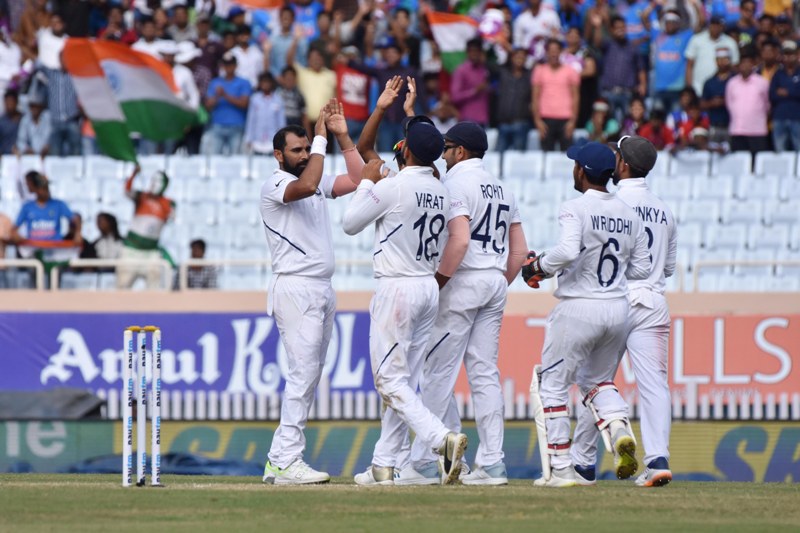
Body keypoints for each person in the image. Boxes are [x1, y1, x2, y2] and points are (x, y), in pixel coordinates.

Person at [341, 120, 469, 487]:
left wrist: (367, 182)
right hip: (427, 287)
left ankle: (440, 440)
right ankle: (384, 463)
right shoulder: (441, 190)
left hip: (397, 287)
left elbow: (350, 223)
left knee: (389, 380)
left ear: (406, 150)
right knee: (404, 381)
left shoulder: (394, 186)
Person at [405, 122, 528, 486]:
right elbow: (519, 252)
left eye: (446, 149)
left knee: (438, 373)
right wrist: (496, 283)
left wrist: (438, 284)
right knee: (484, 373)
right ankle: (492, 463)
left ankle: (423, 462)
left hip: (462, 281)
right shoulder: (504, 188)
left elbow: (458, 243)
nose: (443, 156)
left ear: (459, 151)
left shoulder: (455, 184)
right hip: (494, 281)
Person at [521, 140, 650, 487]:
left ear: (582, 171)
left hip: (579, 307)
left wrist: (539, 266)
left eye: (575, 165)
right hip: (618, 308)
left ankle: (562, 468)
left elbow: (566, 251)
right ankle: (618, 428)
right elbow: (641, 268)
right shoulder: (629, 213)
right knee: (597, 382)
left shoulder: (574, 207)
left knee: (553, 386)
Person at [260, 100, 363, 485]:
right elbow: (303, 187)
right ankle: (286, 459)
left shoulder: (316, 177)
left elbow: (360, 181)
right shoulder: (275, 183)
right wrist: (319, 138)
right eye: (296, 150)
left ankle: (279, 460)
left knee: (310, 375)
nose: (304, 155)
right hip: (296, 287)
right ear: (279, 155)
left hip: (322, 288)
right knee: (302, 374)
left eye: (306, 149)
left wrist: (341, 137)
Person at [571, 135, 676, 488]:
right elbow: (668, 267)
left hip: (615, 300)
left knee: (596, 381)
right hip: (653, 301)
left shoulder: (611, 203)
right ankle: (658, 460)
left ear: (624, 166)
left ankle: (583, 463)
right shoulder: (664, 209)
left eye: (617, 155)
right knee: (654, 386)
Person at [116, 165, 175, 289]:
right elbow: (127, 191)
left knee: (154, 288)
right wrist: (134, 174)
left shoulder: (169, 204)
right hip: (131, 249)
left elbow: (171, 218)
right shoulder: (141, 197)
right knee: (122, 287)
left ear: (165, 185)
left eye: (158, 181)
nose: (153, 184)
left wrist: (158, 204)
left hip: (151, 252)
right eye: (152, 180)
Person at [532, 38, 580, 151]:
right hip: (545, 120)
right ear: (547, 52)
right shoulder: (539, 71)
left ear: (561, 52)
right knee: (546, 155)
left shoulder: (571, 71)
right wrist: (537, 120)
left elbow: (576, 97)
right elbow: (535, 97)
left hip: (566, 120)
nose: (554, 53)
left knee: (567, 156)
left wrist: (573, 121)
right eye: (551, 50)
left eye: (556, 50)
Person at [204, 52, 251, 155]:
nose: (228, 67)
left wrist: (225, 95)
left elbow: (244, 104)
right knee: (214, 158)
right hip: (217, 125)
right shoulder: (215, 82)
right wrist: (217, 96)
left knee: (235, 158)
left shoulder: (244, 82)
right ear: (222, 66)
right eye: (226, 64)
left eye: (231, 64)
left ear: (236, 65)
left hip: (237, 125)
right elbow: (208, 106)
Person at [726, 48, 770, 156]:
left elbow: (767, 104)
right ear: (739, 65)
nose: (745, 66)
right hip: (737, 130)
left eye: (748, 63)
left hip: (757, 130)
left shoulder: (762, 82)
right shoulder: (732, 83)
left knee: (757, 161)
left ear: (753, 65)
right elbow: (729, 103)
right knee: (739, 162)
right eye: (743, 63)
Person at [684, 16, 739, 97]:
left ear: (722, 27)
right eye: (713, 25)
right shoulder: (696, 39)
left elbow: (734, 66)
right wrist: (690, 87)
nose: (715, 28)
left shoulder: (730, 42)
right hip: (697, 88)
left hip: (723, 90)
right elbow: (689, 65)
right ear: (709, 25)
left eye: (718, 25)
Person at [496, 48, 532, 152]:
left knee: (518, 156)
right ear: (511, 58)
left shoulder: (530, 75)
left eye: (522, 57)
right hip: (503, 122)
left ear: (526, 59)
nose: (519, 59)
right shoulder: (503, 73)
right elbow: (490, 66)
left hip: (521, 122)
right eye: (517, 56)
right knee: (499, 155)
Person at [450, 38, 490, 127]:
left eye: (477, 51)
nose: (474, 54)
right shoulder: (461, 71)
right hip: (468, 119)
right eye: (472, 51)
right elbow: (455, 97)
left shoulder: (484, 69)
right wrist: (474, 91)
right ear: (467, 52)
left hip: (484, 119)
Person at [701, 48, 735, 152]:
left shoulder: (735, 79)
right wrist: (713, 103)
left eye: (725, 59)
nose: (722, 62)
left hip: (731, 124)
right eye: (719, 59)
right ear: (716, 61)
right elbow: (702, 104)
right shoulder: (709, 82)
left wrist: (726, 101)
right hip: (714, 125)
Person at [769, 40, 800, 152]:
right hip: (780, 117)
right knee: (780, 151)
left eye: (791, 54)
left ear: (797, 55)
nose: (788, 58)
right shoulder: (778, 74)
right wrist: (794, 92)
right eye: (786, 54)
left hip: (797, 117)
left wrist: (787, 92)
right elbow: (772, 95)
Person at [245, 72, 286, 154]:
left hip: (272, 140)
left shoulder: (278, 99)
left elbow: (281, 122)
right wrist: (249, 138)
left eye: (268, 82)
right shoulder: (255, 99)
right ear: (260, 84)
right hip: (257, 139)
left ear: (272, 83)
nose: (266, 84)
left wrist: (282, 140)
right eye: (263, 82)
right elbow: (251, 120)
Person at [0, 89, 21, 154]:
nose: (9, 105)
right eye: (7, 102)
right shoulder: (1, 121)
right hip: (5, 157)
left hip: (23, 156)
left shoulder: (24, 120)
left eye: (11, 102)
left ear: (16, 102)